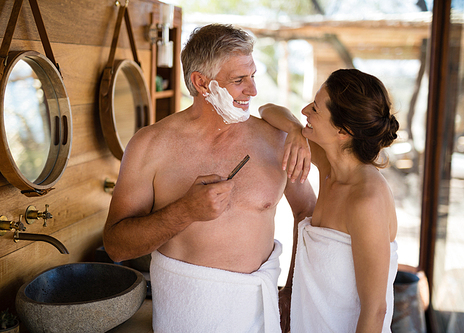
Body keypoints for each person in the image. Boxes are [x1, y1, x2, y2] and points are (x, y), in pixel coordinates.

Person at [102, 23, 316, 333]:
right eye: (239, 80)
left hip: (258, 311)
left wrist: (293, 290)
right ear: (202, 83)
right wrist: (185, 211)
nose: (253, 90)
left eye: (252, 76)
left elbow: (306, 212)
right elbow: (116, 247)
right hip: (185, 314)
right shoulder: (150, 145)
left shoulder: (276, 141)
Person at [259, 68, 399, 333]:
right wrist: (294, 129)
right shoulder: (328, 164)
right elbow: (266, 110)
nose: (304, 111)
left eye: (315, 109)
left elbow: (375, 310)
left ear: (343, 131)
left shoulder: (365, 200)